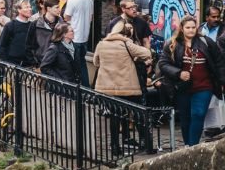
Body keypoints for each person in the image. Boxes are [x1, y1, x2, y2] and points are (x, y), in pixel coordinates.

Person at [159, 15, 225, 146]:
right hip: (183, 87)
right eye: (188, 27)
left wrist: (222, 81)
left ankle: (193, 146)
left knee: (198, 114)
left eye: (193, 27)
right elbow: (163, 63)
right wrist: (179, 73)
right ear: (182, 28)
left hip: (204, 86)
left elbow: (219, 62)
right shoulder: (173, 43)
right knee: (185, 119)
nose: (191, 30)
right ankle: (187, 145)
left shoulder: (206, 42)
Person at [94, 21, 152, 155]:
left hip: (107, 87)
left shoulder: (101, 44)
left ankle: (115, 146)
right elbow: (146, 53)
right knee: (137, 113)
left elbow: (96, 62)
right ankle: (145, 142)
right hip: (127, 87)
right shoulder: (126, 43)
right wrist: (135, 57)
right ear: (125, 33)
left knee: (115, 117)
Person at [63, 0, 94, 87]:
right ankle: (86, 89)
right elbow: (90, 18)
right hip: (84, 38)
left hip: (74, 38)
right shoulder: (90, 0)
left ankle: (75, 89)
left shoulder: (72, 1)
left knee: (71, 65)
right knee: (82, 64)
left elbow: (66, 17)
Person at [0, 0, 36, 67]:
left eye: (30, 7)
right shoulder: (10, 25)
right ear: (19, 10)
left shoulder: (32, 26)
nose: (30, 9)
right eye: (26, 7)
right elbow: (2, 46)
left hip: (28, 66)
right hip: (12, 65)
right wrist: (6, 63)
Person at [27, 0, 63, 64]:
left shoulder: (62, 24)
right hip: (42, 63)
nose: (59, 10)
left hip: (59, 65)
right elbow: (29, 46)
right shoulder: (35, 24)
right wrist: (36, 65)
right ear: (49, 9)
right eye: (57, 7)